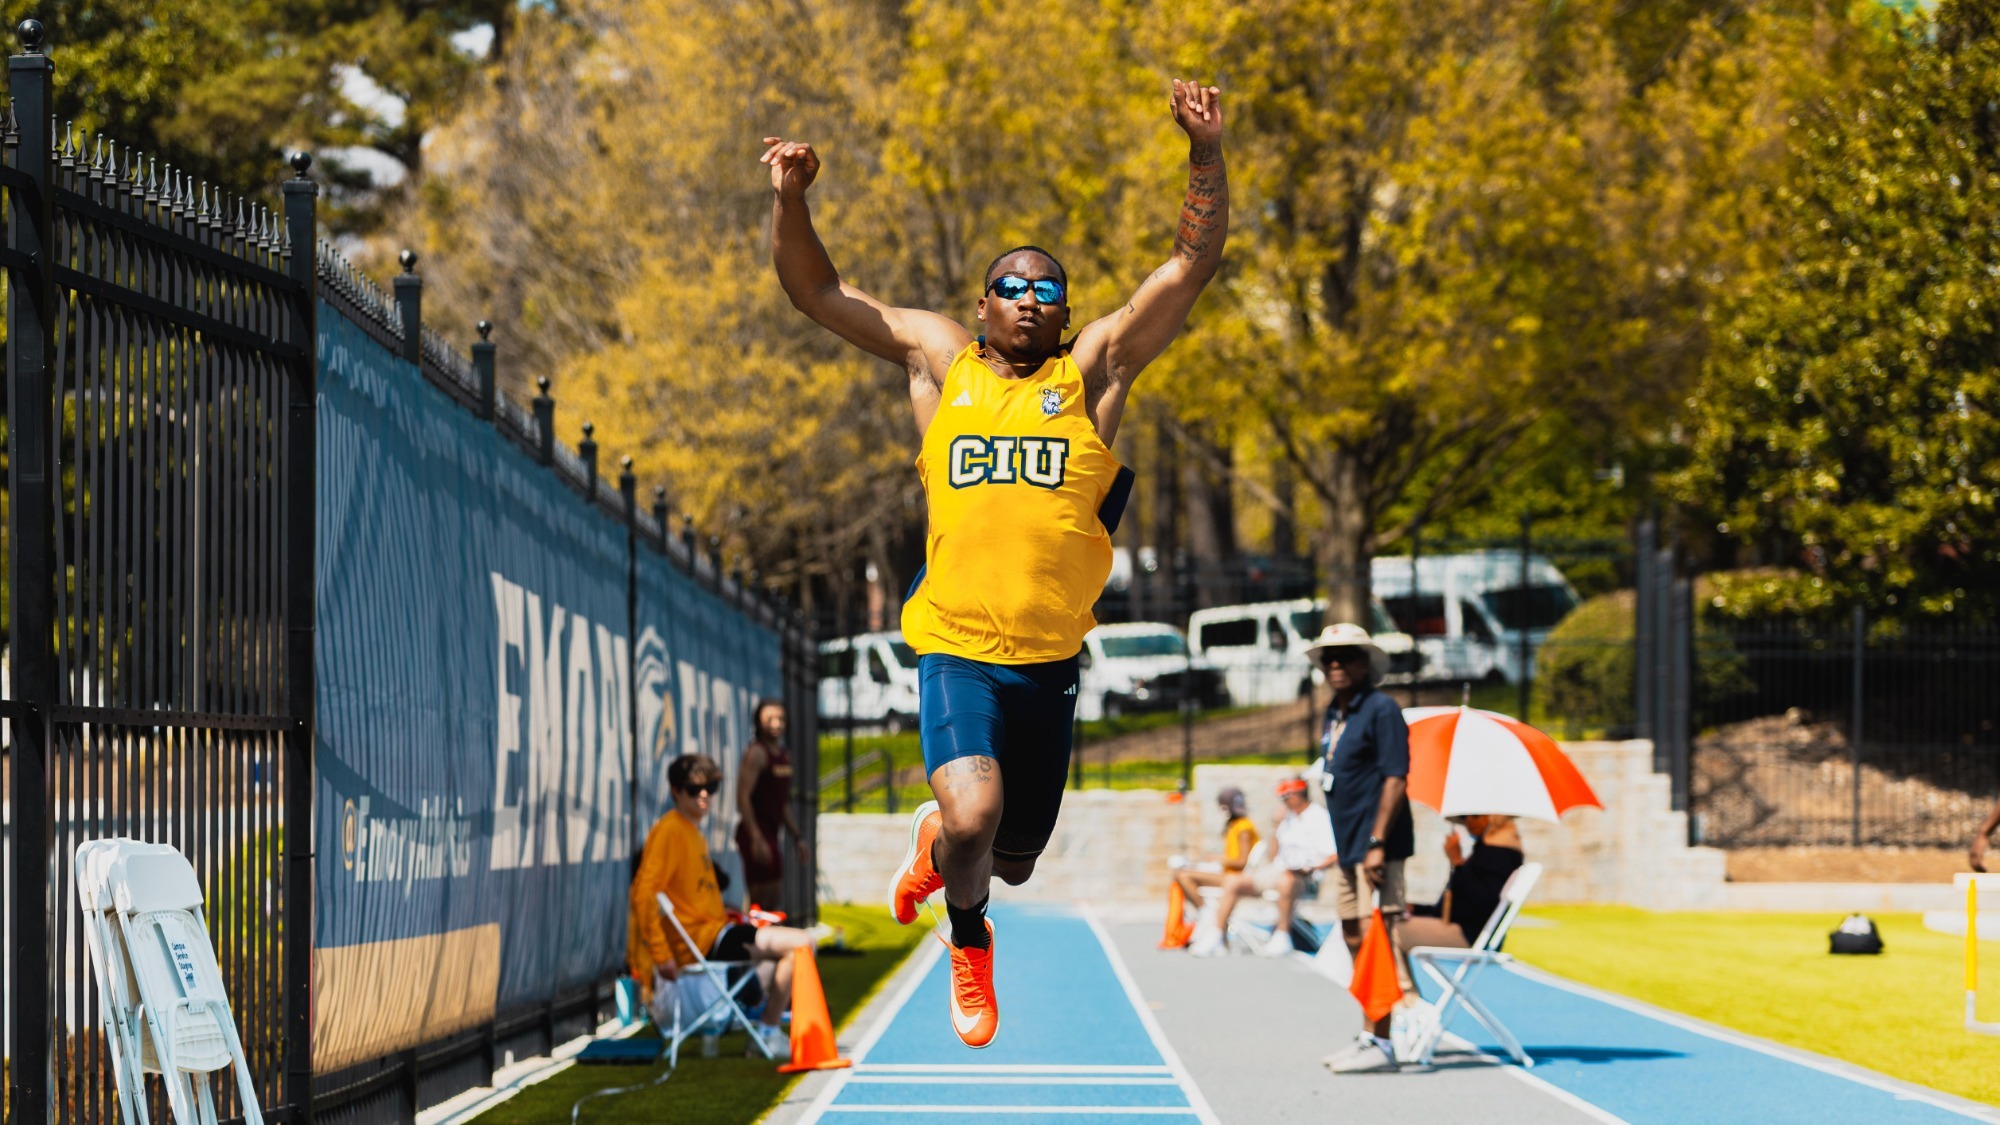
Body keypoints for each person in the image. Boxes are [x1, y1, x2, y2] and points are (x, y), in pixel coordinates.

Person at [763, 78, 1228, 1049]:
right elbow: (818, 294)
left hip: (1048, 660)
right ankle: (968, 937)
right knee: (976, 817)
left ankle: (940, 850)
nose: (1027, 298)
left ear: (1065, 313)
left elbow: (1189, 266)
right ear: (980, 306)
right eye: (1010, 287)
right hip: (956, 644)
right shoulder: (942, 361)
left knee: (1010, 855)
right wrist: (790, 199)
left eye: (1045, 289)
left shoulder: (1091, 372)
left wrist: (1204, 154)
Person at [630, 754, 816, 1057]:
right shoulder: (669, 830)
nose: (704, 795)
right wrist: (662, 954)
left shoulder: (690, 830)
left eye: (711, 788)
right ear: (676, 791)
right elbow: (642, 892)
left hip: (715, 931)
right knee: (802, 944)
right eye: (694, 789)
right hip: (703, 940)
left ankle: (766, 1024)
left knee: (781, 955)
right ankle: (768, 1032)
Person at [1305, 623, 1415, 1076]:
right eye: (1328, 658)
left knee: (1377, 940)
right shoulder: (1335, 711)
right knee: (1353, 935)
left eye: (1346, 656)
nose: (1335, 664)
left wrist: (1376, 843)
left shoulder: (1381, 710)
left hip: (1375, 848)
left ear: (1365, 663)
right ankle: (1371, 1031)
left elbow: (1395, 778)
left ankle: (1384, 1040)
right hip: (1348, 845)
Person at [1200, 777, 1338, 958]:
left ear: (1298, 795)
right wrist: (1276, 825)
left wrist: (1310, 868)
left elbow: (1334, 855)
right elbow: (1275, 856)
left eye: (1286, 797)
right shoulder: (1287, 818)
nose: (1283, 801)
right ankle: (1217, 935)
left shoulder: (1319, 817)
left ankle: (1282, 934)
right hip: (1278, 871)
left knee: (1287, 879)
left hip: (1307, 876)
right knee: (1233, 881)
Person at [1397, 814, 1525, 954]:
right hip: (1463, 928)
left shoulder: (1499, 854)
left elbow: (1482, 904)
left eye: (1475, 816)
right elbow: (1458, 904)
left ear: (1494, 818)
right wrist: (1417, 909)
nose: (1468, 822)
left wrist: (1458, 863)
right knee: (1388, 926)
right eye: (1465, 818)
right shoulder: (1487, 850)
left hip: (1469, 933)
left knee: (1391, 930)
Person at [735, 699, 809, 912]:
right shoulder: (757, 753)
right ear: (758, 722)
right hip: (756, 834)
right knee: (760, 902)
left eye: (780, 719)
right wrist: (756, 837)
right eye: (769, 719)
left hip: (772, 834)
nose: (776, 724)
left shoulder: (784, 755)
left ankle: (764, 933)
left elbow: (782, 802)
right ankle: (751, 933)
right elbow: (742, 797)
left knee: (774, 899)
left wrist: (798, 836)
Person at [1176, 787, 1262, 955]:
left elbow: (1242, 861)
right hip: (1228, 873)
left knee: (1183, 875)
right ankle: (1205, 913)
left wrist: (1217, 859)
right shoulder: (1234, 825)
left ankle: (1205, 912)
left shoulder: (1243, 827)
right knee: (1182, 873)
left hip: (1235, 877)